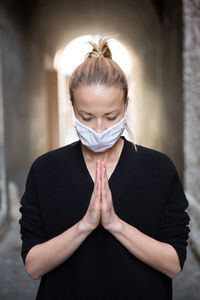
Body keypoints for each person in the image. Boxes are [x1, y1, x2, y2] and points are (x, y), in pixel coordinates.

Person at [19, 37, 190, 300]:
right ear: (73, 108)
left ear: (126, 106)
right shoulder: (46, 171)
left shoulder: (159, 169)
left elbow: (173, 264)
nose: (99, 130)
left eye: (111, 117)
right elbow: (33, 266)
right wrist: (85, 225)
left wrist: (115, 224)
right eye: (86, 117)